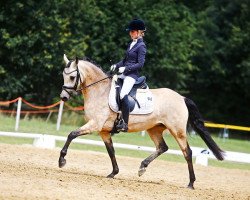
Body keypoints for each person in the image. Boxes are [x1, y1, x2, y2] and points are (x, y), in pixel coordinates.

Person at [110, 18, 147, 132]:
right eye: (130, 32)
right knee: (112, 88)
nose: (130, 33)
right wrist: (116, 65)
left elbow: (140, 64)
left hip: (132, 76)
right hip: (124, 74)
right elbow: (125, 60)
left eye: (132, 31)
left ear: (139, 32)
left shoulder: (141, 46)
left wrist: (125, 68)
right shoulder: (131, 44)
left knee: (122, 94)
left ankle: (125, 123)